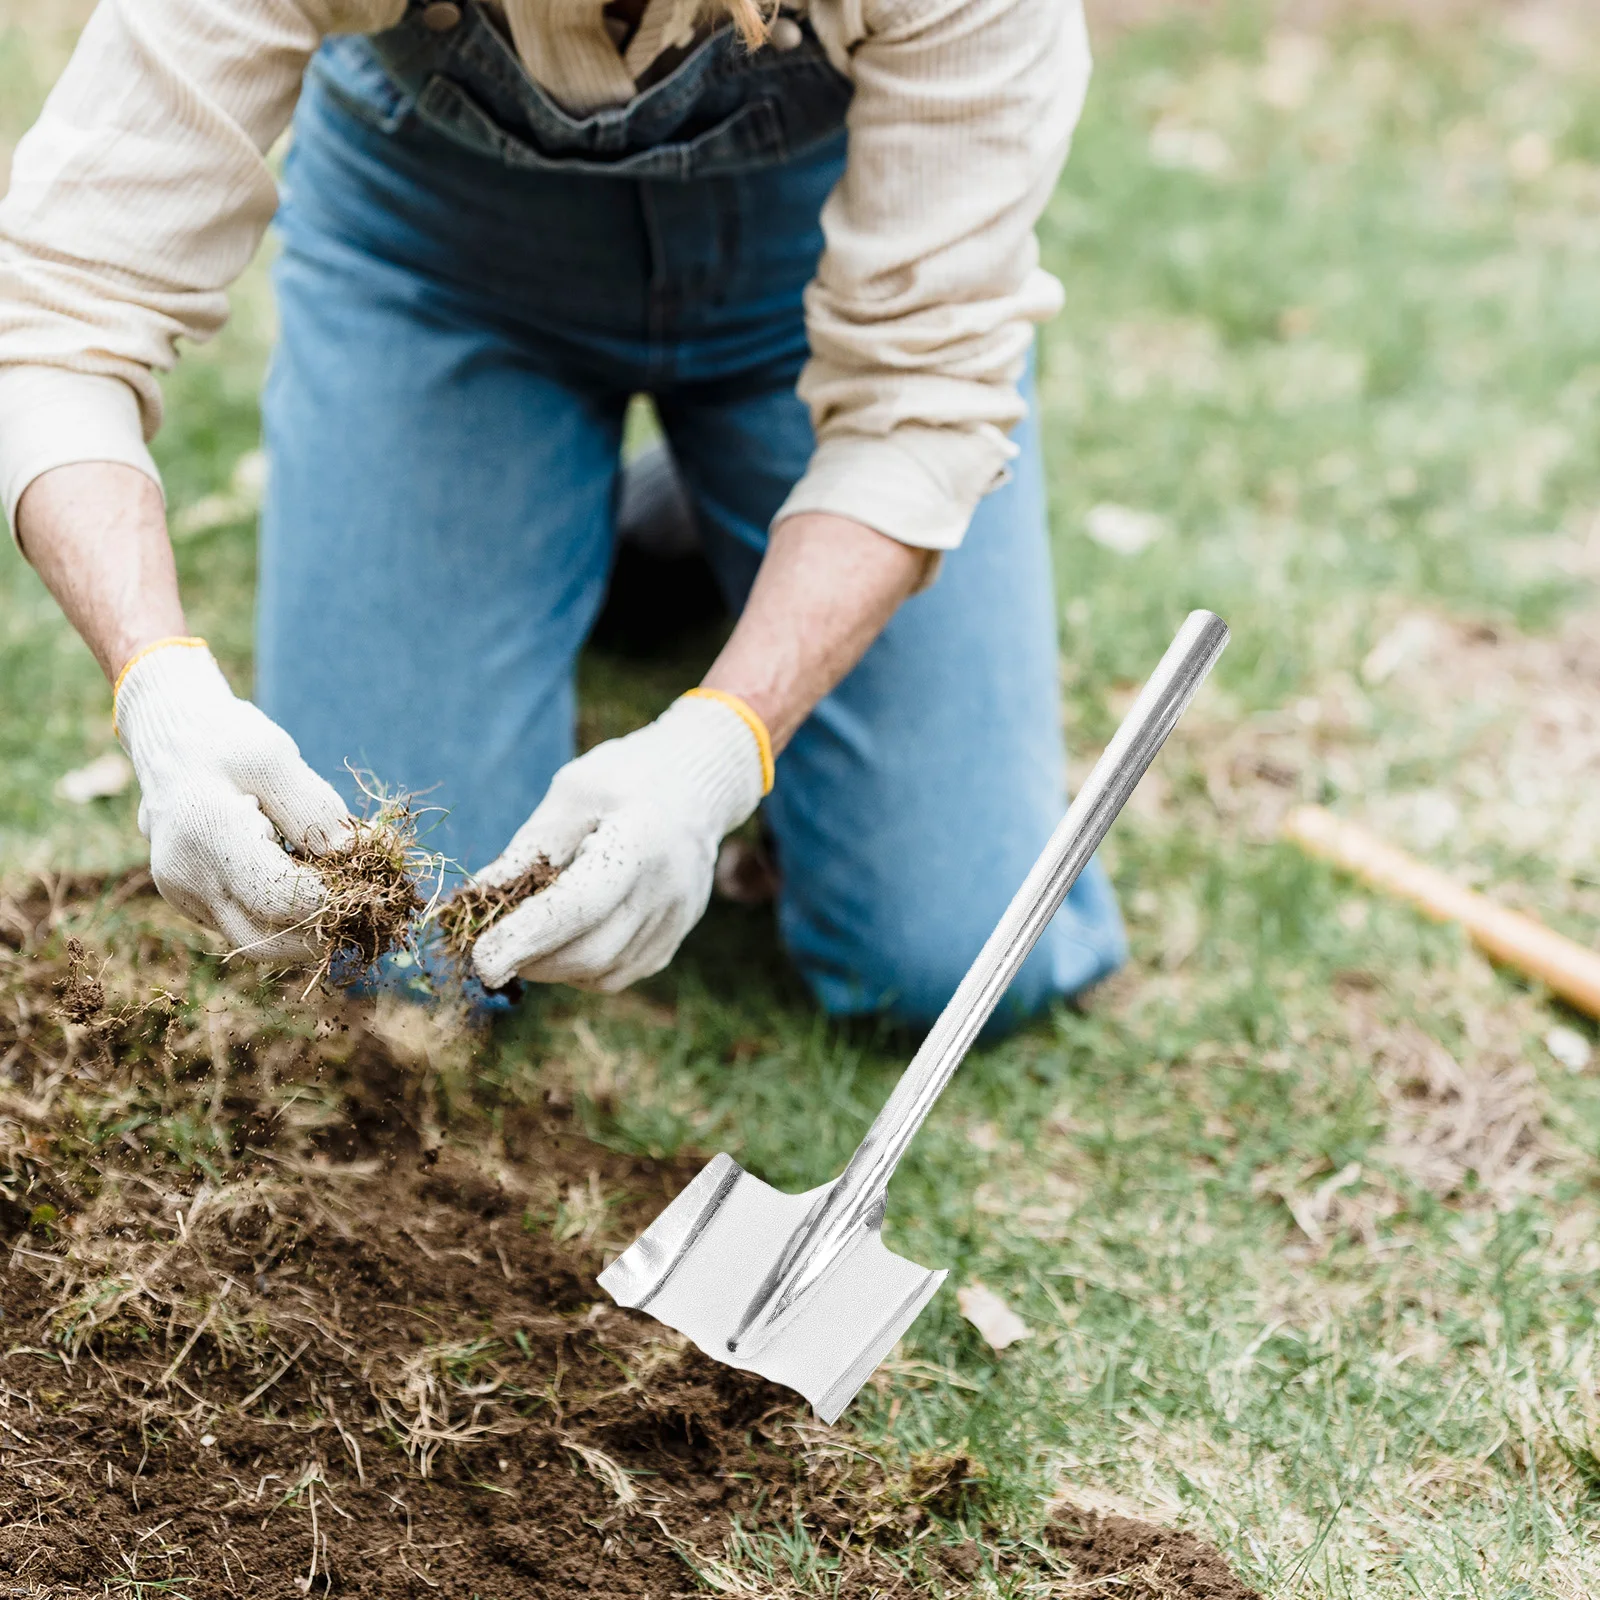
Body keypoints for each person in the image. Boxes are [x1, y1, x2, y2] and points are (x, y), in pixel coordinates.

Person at [0, 0, 1125, 1031]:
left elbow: (915, 411)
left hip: (814, 261)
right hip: (440, 252)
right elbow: (59, 312)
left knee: (955, 961)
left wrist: (718, 749)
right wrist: (160, 691)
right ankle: (656, 517)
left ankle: (716, 513)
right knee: (395, 960)